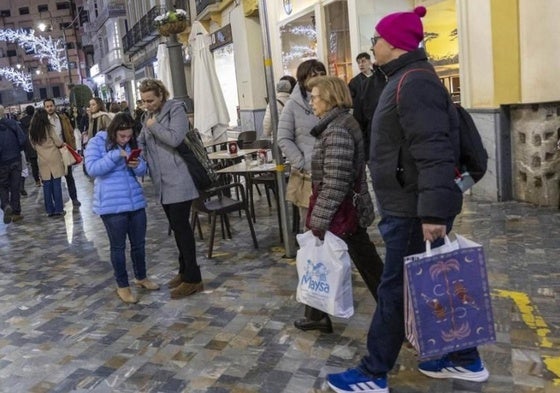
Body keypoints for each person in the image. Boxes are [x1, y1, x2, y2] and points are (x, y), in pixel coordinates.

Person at [327, 7, 489, 393]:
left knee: (395, 290)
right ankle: (464, 358)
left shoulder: (414, 82)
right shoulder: (404, 78)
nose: (373, 45)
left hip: (414, 211)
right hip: (409, 207)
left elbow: (433, 149)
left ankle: (373, 371)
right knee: (424, 285)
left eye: (377, 39)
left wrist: (432, 211)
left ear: (395, 43)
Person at [296, 75, 384, 333]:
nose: (311, 102)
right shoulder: (338, 124)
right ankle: (315, 315)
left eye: (314, 97)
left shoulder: (337, 130)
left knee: (369, 265)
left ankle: (399, 316)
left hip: (343, 211)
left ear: (329, 99)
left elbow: (335, 181)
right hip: (342, 209)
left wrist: (318, 220)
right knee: (324, 258)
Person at [137, 78, 203, 299]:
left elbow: (175, 139)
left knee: (182, 229)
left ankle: (194, 278)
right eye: (144, 101)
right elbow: (142, 141)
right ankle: (184, 271)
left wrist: (154, 126)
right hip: (162, 182)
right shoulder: (147, 116)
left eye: (151, 100)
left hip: (179, 178)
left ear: (161, 96)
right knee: (176, 228)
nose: (147, 105)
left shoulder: (176, 110)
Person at [84, 112, 159, 304]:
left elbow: (143, 170)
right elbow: (92, 169)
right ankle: (122, 286)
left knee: (139, 244)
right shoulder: (96, 142)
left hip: (135, 201)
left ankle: (141, 277)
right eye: (122, 137)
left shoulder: (131, 142)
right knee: (118, 247)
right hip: (111, 205)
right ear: (112, 132)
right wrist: (116, 155)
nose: (126, 140)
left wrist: (136, 164)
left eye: (129, 136)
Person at [278, 60, 326, 232]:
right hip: (307, 175)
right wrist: (301, 162)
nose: (319, 78)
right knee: (310, 223)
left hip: (331, 172)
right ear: (303, 79)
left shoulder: (330, 100)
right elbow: (283, 137)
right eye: (314, 75)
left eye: (322, 74)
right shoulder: (292, 105)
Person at [348, 53, 387, 160]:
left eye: (364, 61)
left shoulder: (380, 78)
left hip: (379, 114)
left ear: (370, 62)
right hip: (361, 118)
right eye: (359, 62)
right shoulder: (354, 82)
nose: (361, 64)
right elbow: (350, 101)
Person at [44, 98, 81, 207]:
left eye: (51, 106)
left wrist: (72, 145)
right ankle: (58, 203)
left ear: (54, 106)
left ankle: (74, 198)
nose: (50, 108)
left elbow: (70, 131)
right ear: (45, 108)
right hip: (52, 152)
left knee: (69, 176)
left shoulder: (62, 118)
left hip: (64, 150)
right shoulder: (44, 121)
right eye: (47, 106)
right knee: (56, 178)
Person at [29, 108, 66, 217]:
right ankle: (59, 209)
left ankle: (49, 210)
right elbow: (58, 141)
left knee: (47, 185)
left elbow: (33, 145)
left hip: (42, 159)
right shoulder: (48, 127)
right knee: (56, 183)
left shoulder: (32, 130)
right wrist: (61, 144)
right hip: (54, 157)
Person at [0, 105, 26, 224]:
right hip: (15, 159)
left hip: (1, 163)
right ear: (3, 112)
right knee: (15, 186)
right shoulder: (13, 123)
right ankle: (16, 212)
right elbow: (22, 139)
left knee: (3, 186)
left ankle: (5, 205)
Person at [20, 105, 41, 187]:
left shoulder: (21, 121)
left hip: (29, 145)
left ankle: (37, 181)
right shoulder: (38, 119)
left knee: (33, 164)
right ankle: (44, 177)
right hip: (39, 142)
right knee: (43, 161)